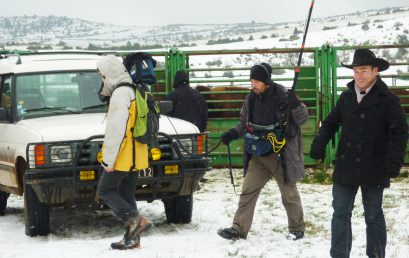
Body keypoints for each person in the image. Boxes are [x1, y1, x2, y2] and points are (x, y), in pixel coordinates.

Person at [310, 49, 409, 258]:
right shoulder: (346, 97)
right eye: (355, 71)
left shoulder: (389, 100)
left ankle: (375, 255)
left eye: (363, 70)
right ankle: (338, 255)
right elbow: (330, 123)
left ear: (375, 71)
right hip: (346, 164)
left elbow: (399, 132)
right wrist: (319, 144)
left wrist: (394, 161)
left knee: (373, 215)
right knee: (340, 214)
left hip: (375, 166)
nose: (359, 76)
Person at [217, 63, 309, 241]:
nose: (253, 85)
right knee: (247, 192)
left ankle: (297, 229)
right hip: (257, 154)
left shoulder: (284, 95)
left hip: (280, 155)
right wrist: (233, 133)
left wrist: (296, 104)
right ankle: (238, 229)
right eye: (251, 81)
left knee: (289, 194)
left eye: (256, 81)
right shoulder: (250, 98)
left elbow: (303, 118)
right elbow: (243, 122)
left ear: (266, 81)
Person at [96, 55, 152, 250]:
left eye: (102, 75)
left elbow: (116, 130)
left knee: (105, 190)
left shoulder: (120, 94)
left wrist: (108, 160)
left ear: (109, 74)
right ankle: (133, 240)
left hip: (123, 156)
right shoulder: (136, 90)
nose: (101, 79)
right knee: (126, 194)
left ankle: (135, 220)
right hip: (138, 154)